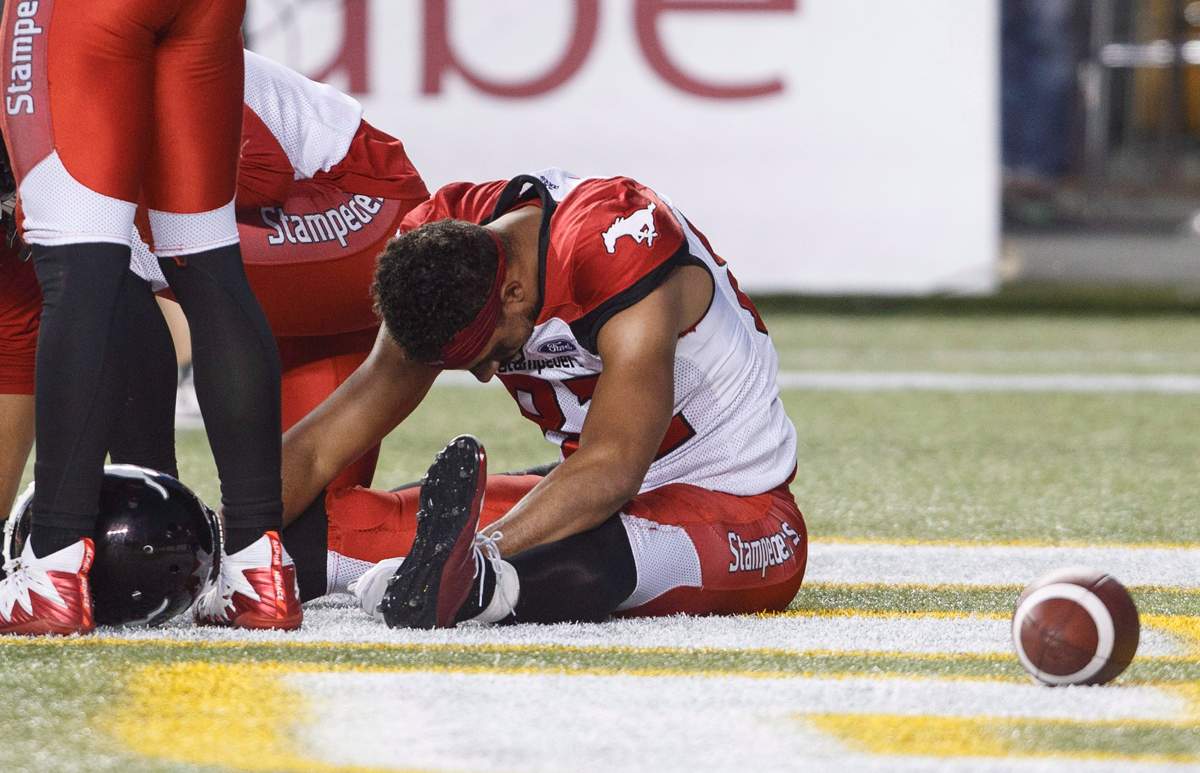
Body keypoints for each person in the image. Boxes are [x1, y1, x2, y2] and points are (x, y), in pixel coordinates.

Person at [0, 47, 428, 629]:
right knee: (310, 529)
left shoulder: (86, 78)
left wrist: (150, 505)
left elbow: (257, 174)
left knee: (105, 251)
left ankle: (159, 501)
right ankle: (496, 539)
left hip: (357, 204)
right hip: (297, 286)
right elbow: (23, 369)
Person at [281, 168, 806, 626]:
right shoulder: (440, 250)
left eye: (489, 352)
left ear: (513, 291)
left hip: (739, 508)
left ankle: (480, 589)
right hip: (582, 492)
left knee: (582, 562)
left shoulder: (618, 243)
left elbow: (612, 469)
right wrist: (238, 534)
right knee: (317, 535)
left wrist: (473, 556)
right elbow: (326, 439)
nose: (488, 374)